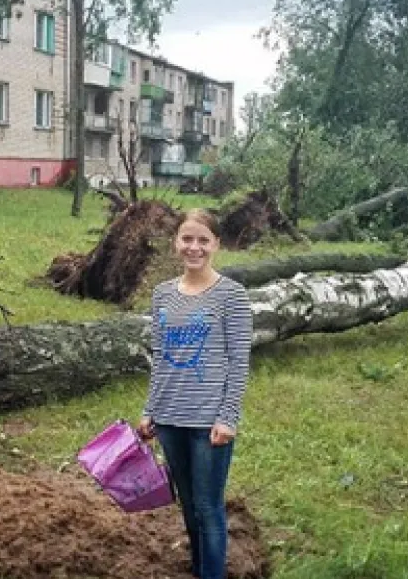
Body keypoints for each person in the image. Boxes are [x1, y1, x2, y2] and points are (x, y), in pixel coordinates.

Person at [138, 208, 252, 579]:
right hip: (170, 419)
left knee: (208, 507)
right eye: (187, 238)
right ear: (176, 243)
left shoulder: (231, 296)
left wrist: (228, 418)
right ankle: (199, 568)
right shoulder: (162, 295)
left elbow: (238, 362)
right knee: (187, 505)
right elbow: (160, 358)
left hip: (209, 424)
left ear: (216, 244)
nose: (194, 247)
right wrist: (150, 410)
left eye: (203, 240)